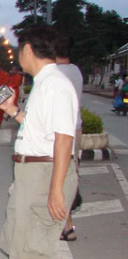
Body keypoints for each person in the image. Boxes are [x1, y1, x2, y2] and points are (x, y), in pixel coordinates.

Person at [0, 25, 103, 259]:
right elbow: (40, 130)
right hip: (30, 173)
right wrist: (13, 111)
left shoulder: (55, 85)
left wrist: (57, 189)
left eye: (19, 50)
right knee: (20, 247)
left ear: (29, 49)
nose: (17, 57)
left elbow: (64, 139)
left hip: (46, 175)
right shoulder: (43, 84)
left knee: (37, 251)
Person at [55, 39, 83, 242]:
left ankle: (65, 225)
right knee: (71, 175)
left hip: (60, 131)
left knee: (59, 177)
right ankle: (67, 225)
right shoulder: (77, 72)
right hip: (76, 128)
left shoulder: (54, 74)